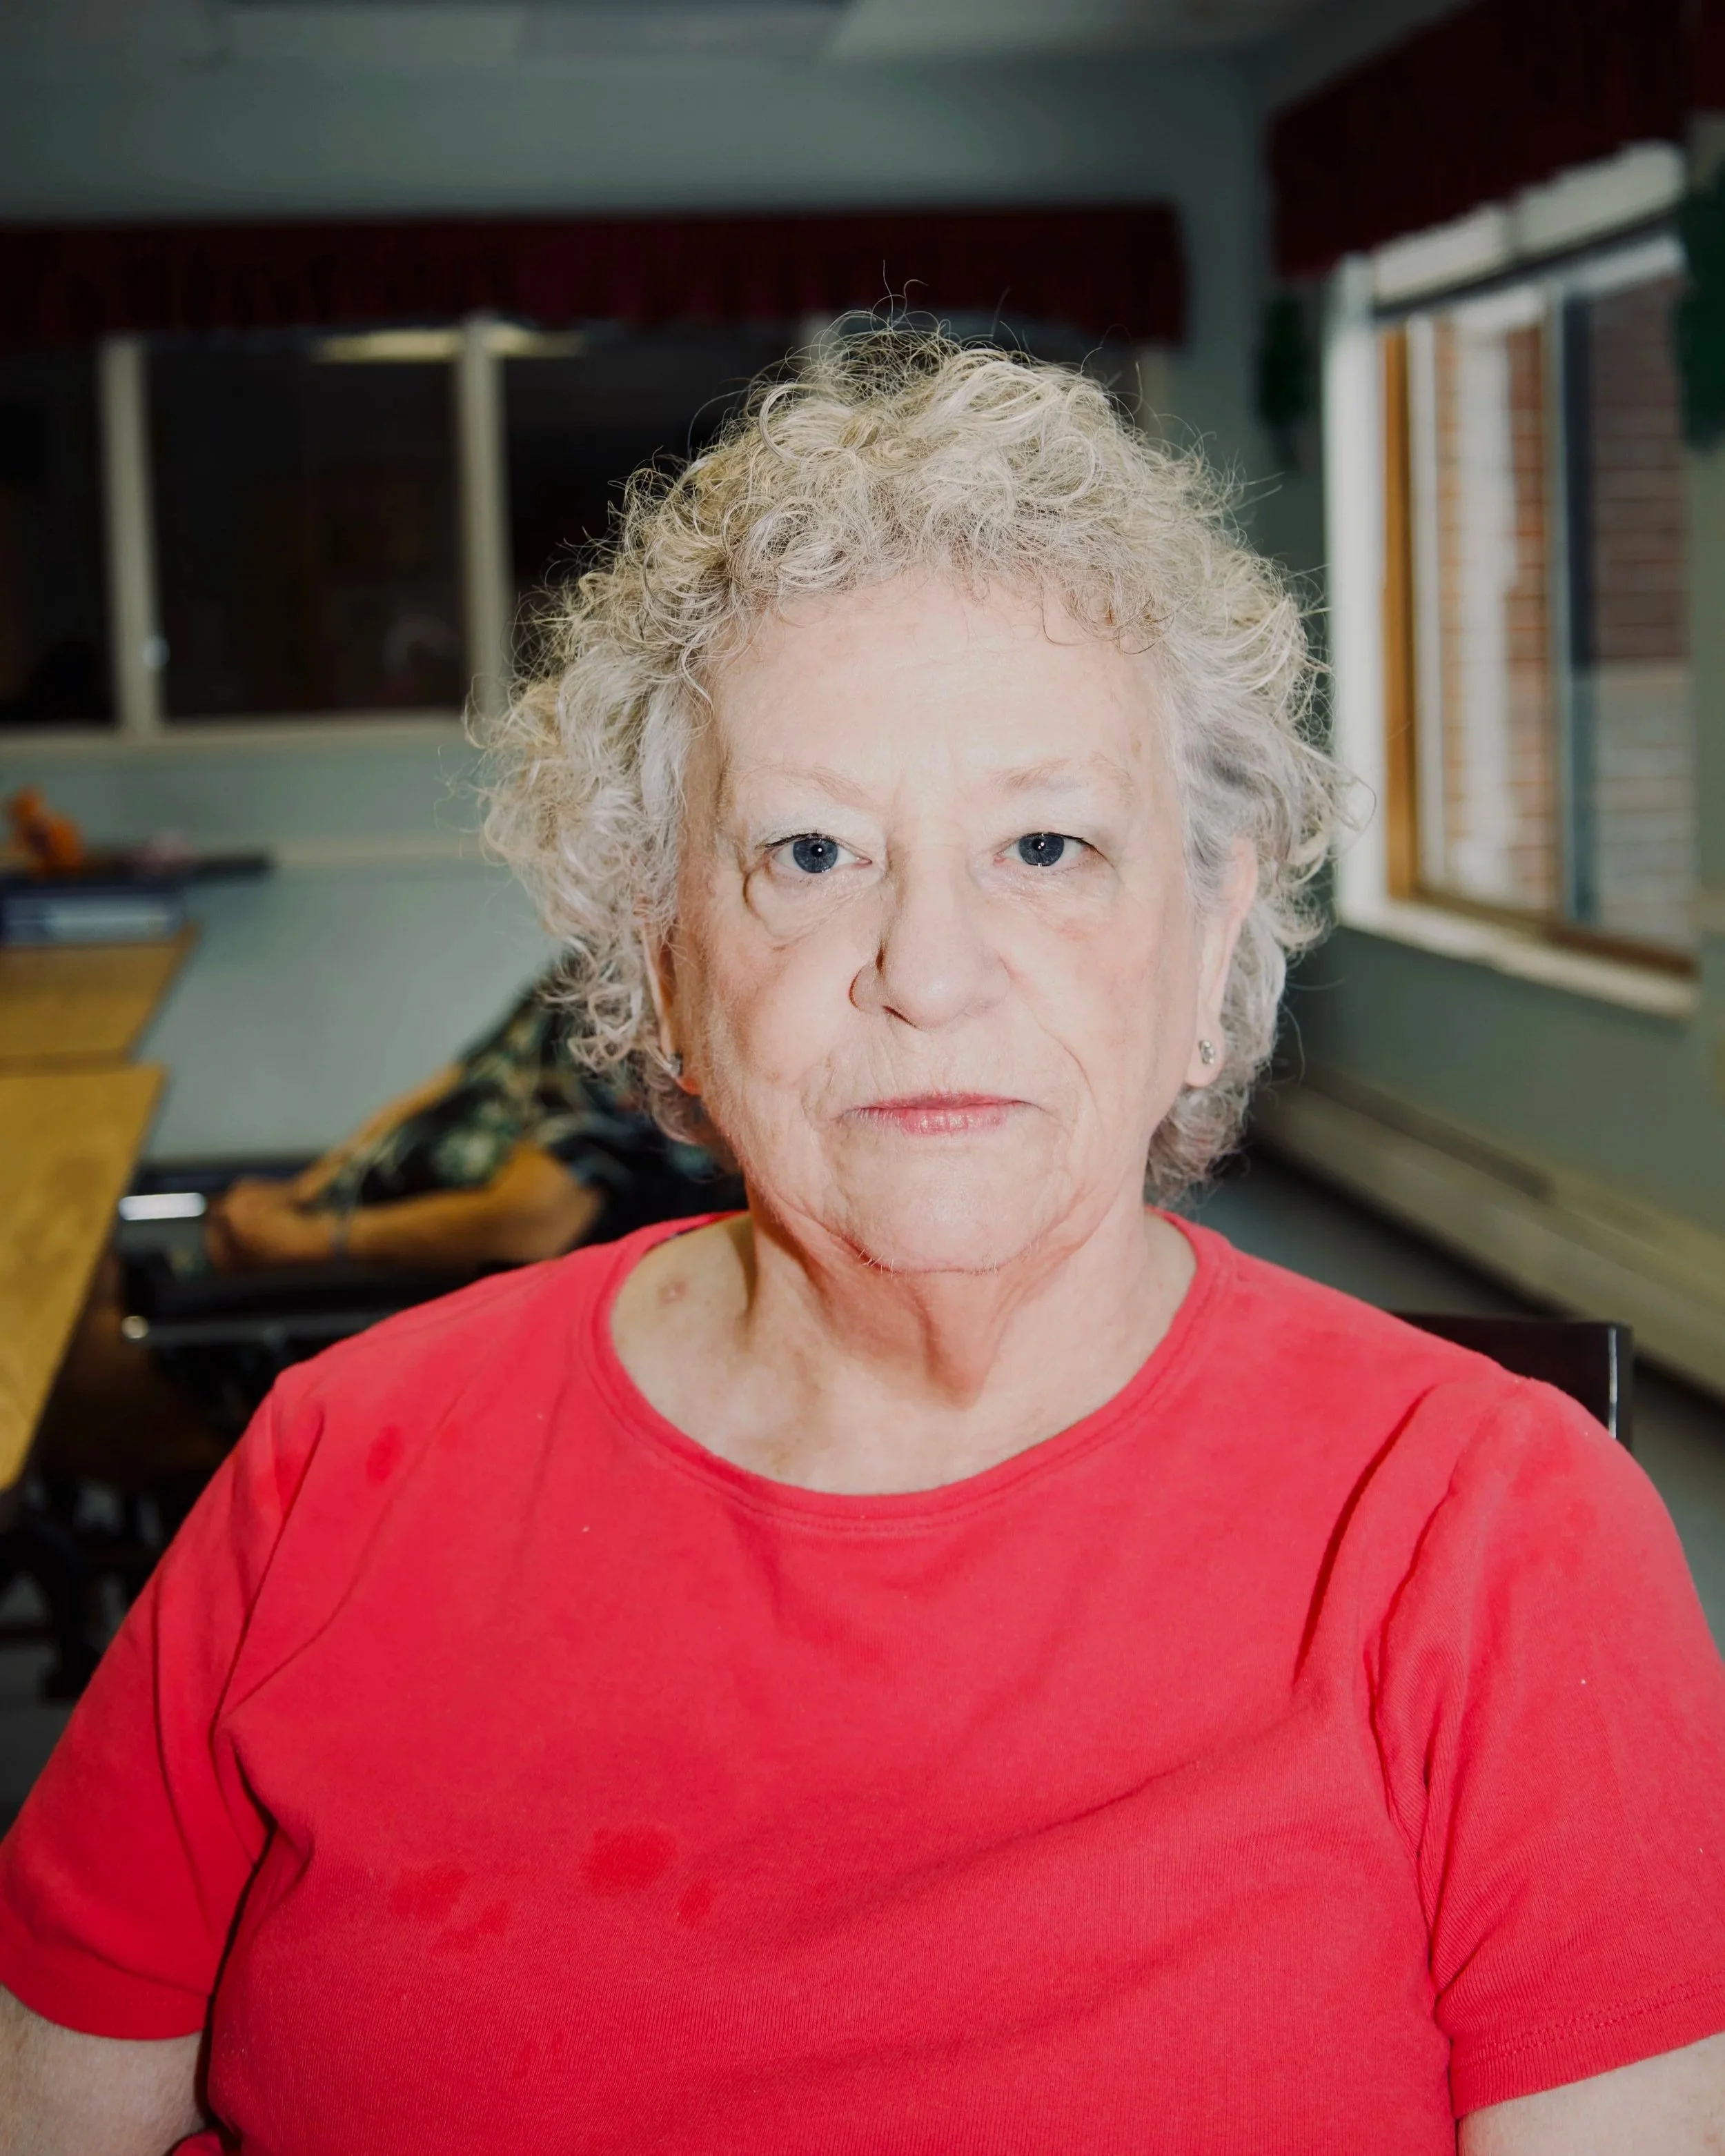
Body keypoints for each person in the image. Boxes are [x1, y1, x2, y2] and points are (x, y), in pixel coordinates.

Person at [0, 333, 1721, 2154]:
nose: (929, 971)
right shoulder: (332, 1471)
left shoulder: (1490, 1539)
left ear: (1211, 936)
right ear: (662, 959)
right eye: (812, 854)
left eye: (1045, 845)